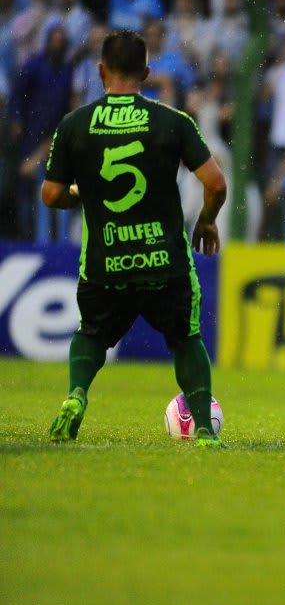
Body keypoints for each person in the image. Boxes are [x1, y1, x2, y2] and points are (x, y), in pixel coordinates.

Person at [42, 29, 227, 447]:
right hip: (165, 263)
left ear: (101, 69)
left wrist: (80, 191)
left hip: (105, 262)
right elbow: (215, 184)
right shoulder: (173, 122)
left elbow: (51, 194)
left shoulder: (75, 124)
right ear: (146, 72)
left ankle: (77, 394)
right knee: (185, 339)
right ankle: (202, 428)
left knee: (91, 334)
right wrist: (207, 222)